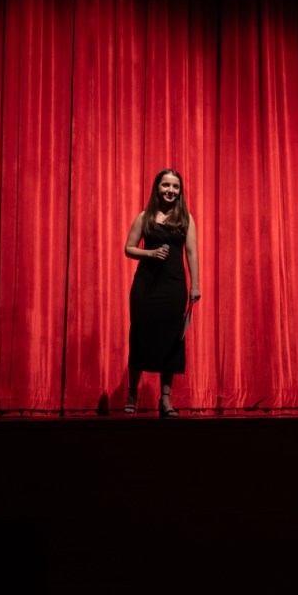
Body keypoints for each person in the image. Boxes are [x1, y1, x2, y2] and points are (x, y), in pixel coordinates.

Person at [122, 169, 201, 417]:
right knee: (140, 336)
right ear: (157, 188)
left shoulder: (186, 219)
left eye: (175, 187)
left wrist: (195, 286)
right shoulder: (144, 217)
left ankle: (165, 399)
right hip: (146, 288)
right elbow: (128, 248)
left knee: (171, 340)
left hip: (174, 287)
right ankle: (132, 394)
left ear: (180, 191)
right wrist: (150, 253)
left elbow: (191, 254)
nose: (170, 190)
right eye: (166, 185)